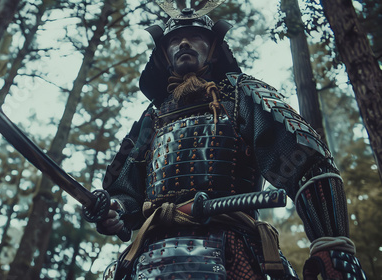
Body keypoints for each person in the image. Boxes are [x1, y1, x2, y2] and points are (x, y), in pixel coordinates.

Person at [97, 8, 366, 280]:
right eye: (175, 40)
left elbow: (307, 161)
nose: (184, 43)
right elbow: (126, 192)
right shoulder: (151, 117)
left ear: (213, 49)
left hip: (232, 250)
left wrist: (333, 244)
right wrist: (115, 210)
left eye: (194, 36)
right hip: (148, 258)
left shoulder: (242, 94)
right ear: (165, 54)